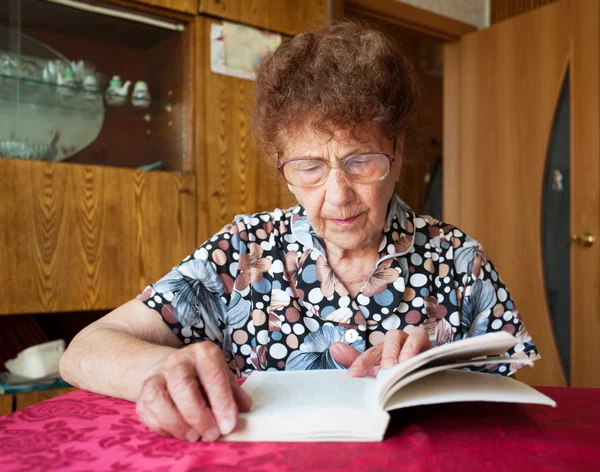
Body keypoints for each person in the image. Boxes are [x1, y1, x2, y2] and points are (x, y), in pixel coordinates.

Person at [60, 22, 540, 443]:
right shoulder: (243, 251)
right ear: (280, 165)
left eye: (362, 162)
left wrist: (435, 374)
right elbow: (83, 350)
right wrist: (159, 369)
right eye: (309, 167)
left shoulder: (458, 259)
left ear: (398, 154)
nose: (337, 195)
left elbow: (509, 415)